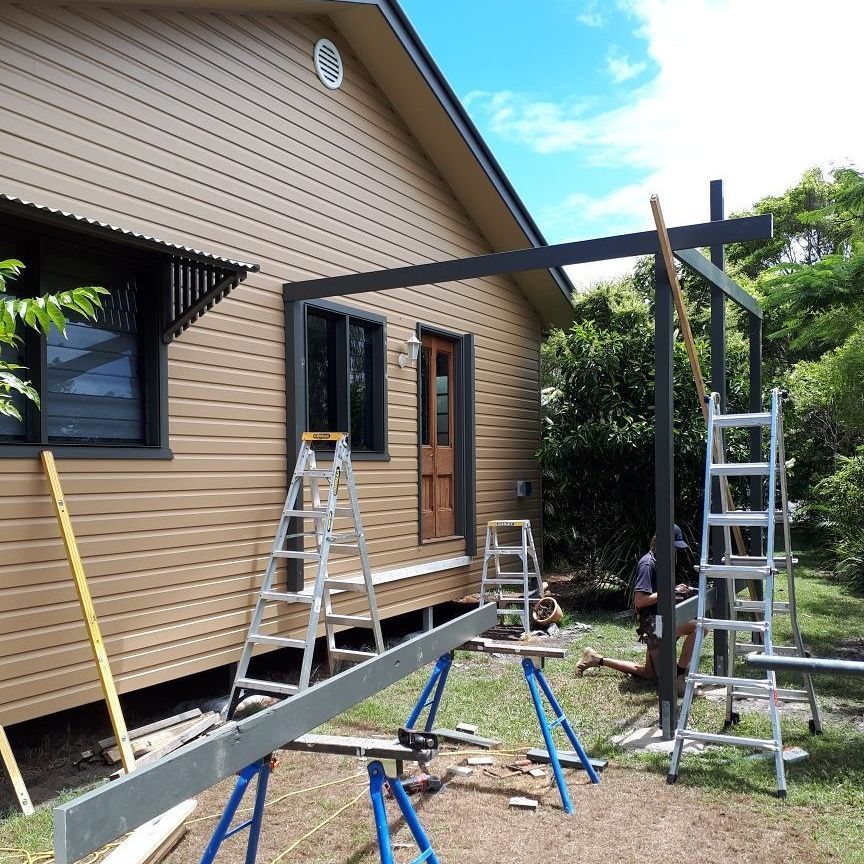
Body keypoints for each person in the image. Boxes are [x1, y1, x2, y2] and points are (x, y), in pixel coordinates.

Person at [575, 525, 697, 692]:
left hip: (660, 618)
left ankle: (595, 658)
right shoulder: (647, 564)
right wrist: (670, 592)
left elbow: (660, 593)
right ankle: (679, 674)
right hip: (654, 622)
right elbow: (640, 601)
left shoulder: (660, 560)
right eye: (673, 547)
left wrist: (677, 590)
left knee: (649, 674)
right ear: (662, 543)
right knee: (698, 627)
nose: (675, 551)